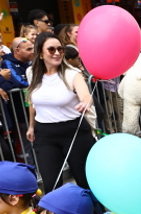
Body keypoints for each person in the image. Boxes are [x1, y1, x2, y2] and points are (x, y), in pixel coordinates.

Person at [25, 32, 96, 191]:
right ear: (40, 53)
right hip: (44, 134)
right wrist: (31, 126)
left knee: (85, 181)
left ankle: (96, 207)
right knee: (51, 184)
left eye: (60, 49)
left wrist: (85, 102)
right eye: (51, 49)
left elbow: (85, 95)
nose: (57, 53)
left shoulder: (72, 74)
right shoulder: (32, 73)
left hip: (74, 131)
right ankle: (57, 209)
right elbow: (32, 101)